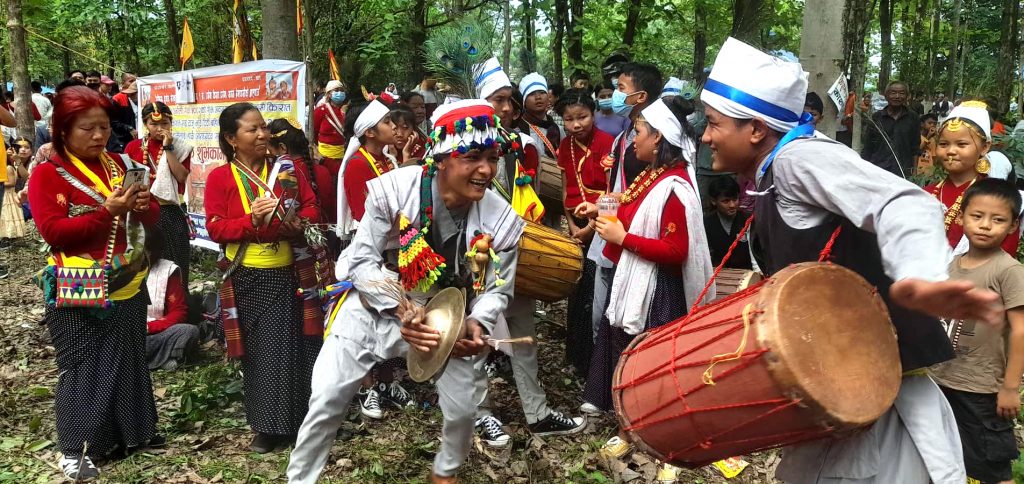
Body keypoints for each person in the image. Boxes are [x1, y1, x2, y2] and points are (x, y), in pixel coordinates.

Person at [701, 36, 1002, 484]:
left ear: (757, 130)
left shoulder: (799, 159)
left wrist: (922, 276)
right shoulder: (772, 170)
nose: (705, 136)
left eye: (713, 123)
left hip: (880, 394)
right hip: (845, 384)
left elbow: (906, 202)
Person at [288, 99, 526, 484]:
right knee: (327, 398)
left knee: (463, 411)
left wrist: (478, 323)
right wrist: (400, 307)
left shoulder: (502, 218)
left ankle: (444, 475)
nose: (486, 170)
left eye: (492, 158)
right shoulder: (395, 190)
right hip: (372, 305)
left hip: (445, 318)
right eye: (472, 158)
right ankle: (300, 480)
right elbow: (359, 261)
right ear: (442, 160)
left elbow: (499, 288)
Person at [29, 86, 162, 481]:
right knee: (83, 364)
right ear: (63, 130)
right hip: (78, 281)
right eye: (87, 129)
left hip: (127, 278)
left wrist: (145, 206)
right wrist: (106, 212)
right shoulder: (48, 173)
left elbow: (152, 215)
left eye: (103, 127)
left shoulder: (121, 165)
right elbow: (54, 232)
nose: (99, 135)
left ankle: (131, 434)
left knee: (129, 357)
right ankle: (74, 450)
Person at [575, 97, 714, 463]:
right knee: (624, 351)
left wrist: (623, 239)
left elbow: (676, 251)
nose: (632, 138)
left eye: (638, 132)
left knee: (646, 362)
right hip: (636, 281)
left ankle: (647, 431)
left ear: (658, 137)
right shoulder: (652, 174)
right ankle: (625, 421)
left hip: (657, 293)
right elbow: (631, 204)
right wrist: (602, 208)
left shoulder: (675, 187)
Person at [204, 102, 323, 453]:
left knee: (301, 345)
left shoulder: (287, 169)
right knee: (264, 351)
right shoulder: (221, 178)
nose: (262, 134)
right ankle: (269, 426)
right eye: (252, 129)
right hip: (248, 275)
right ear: (232, 139)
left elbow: (312, 206)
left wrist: (298, 220)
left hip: (291, 272)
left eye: (263, 127)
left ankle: (305, 419)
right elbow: (216, 228)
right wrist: (252, 221)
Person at [927, 178, 1024, 484]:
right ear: (961, 217)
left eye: (998, 220)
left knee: (991, 468)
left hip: (980, 388)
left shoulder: (1009, 272)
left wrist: (1010, 387)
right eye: (977, 216)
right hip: (941, 380)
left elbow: (1020, 331)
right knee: (943, 458)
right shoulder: (949, 266)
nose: (985, 225)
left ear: (1013, 226)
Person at [588, 62, 665, 357]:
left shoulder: (659, 141)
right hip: (613, 230)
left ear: (640, 97)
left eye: (621, 89)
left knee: (629, 313)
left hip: (638, 237)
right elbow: (619, 188)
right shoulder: (625, 137)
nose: (615, 95)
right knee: (604, 309)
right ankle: (603, 370)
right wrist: (600, 207)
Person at [555, 89, 614, 376]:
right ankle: (577, 357)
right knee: (577, 291)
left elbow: (613, 193)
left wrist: (591, 228)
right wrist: (573, 226)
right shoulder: (564, 145)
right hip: (577, 227)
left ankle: (596, 360)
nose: (576, 124)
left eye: (582, 117)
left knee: (596, 293)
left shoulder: (608, 143)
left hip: (603, 226)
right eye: (569, 119)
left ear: (594, 114)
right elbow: (565, 188)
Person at [925, 101, 1020, 257]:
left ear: (985, 147)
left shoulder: (998, 198)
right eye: (943, 144)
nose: (951, 151)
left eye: (961, 144)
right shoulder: (926, 193)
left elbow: (1003, 256)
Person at [124, 102, 195, 290]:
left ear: (171, 123)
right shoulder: (133, 147)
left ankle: (176, 302)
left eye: (165, 123)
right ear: (145, 125)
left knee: (174, 262)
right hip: (141, 211)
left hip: (170, 213)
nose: (160, 128)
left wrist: (168, 148)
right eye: (154, 124)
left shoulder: (181, 147)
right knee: (143, 263)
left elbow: (181, 176)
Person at [336, 101, 398, 242]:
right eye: (387, 122)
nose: (394, 126)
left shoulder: (388, 159)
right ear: (369, 132)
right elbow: (363, 215)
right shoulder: (357, 164)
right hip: (373, 242)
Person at [144, 228, 199, 371]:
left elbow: (179, 312)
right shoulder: (120, 268)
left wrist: (149, 327)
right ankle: (163, 359)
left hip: (154, 333)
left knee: (189, 331)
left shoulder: (167, 270)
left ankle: (161, 357)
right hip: (125, 334)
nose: (144, 254)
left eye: (148, 250)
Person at [268, 117, 336, 230]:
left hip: (294, 235)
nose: (268, 154)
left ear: (282, 148)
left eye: (269, 150)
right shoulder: (322, 171)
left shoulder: (282, 175)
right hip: (324, 233)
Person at [861, 81, 920, 177]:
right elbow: (868, 146)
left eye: (901, 93)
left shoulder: (913, 118)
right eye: (893, 93)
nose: (897, 96)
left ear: (907, 96)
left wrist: (914, 171)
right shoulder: (877, 117)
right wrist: (864, 169)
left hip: (903, 170)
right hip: (878, 169)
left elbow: (915, 147)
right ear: (886, 95)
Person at [703, 175, 752, 269]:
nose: (732, 205)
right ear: (713, 201)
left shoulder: (748, 220)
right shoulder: (706, 224)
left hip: (747, 274)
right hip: (719, 274)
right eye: (726, 201)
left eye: (735, 199)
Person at [518, 72, 561, 158]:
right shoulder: (517, 129)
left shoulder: (557, 129)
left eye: (542, 92)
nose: (538, 97)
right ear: (524, 101)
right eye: (531, 94)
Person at [312, 80, 348, 183]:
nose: (340, 93)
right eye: (336, 90)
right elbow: (314, 132)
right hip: (324, 157)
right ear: (328, 94)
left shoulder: (347, 111)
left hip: (343, 156)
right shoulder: (320, 111)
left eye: (341, 90)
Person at [1, 139, 27, 241]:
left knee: (9, 215)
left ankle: (9, 236)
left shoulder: (8, 168)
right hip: (5, 194)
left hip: (8, 195)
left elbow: (11, 183)